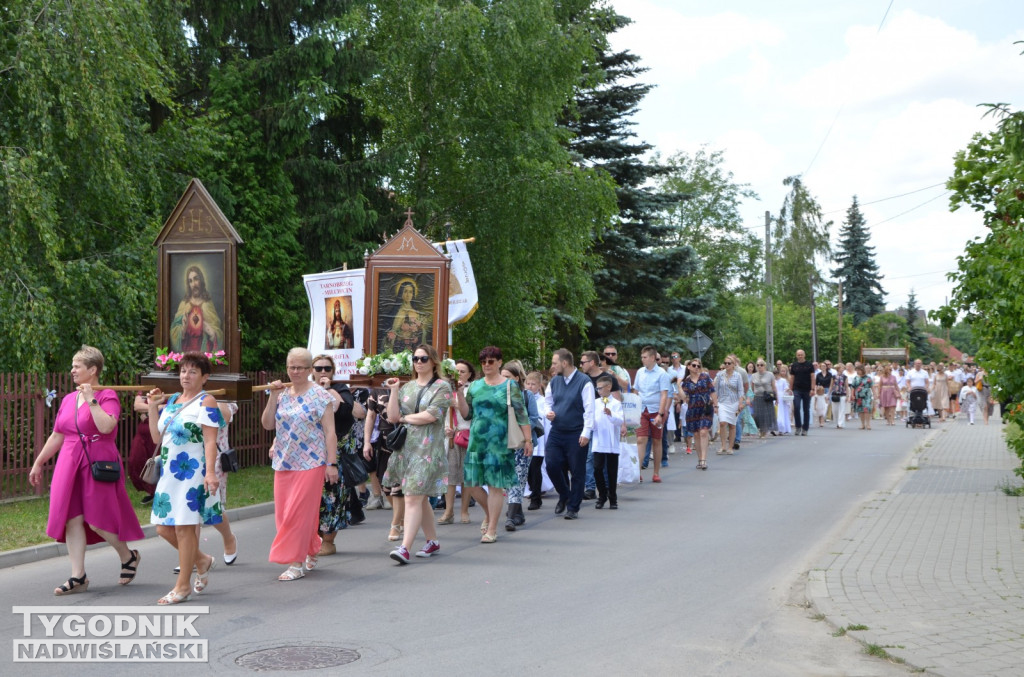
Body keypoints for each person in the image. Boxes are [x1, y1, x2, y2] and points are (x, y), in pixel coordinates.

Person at [28, 346, 145, 597]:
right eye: (72, 366)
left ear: (92, 370)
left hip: (97, 461)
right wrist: (38, 462)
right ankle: (77, 576)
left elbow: (106, 427)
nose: (72, 370)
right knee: (72, 518)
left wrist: (92, 399)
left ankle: (128, 557)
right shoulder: (69, 399)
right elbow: (58, 434)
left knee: (98, 520)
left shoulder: (107, 395)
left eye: (77, 366)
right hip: (69, 461)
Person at [146, 351, 223, 604]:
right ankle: (202, 560)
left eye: (192, 371)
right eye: (183, 371)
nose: (186, 375)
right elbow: (158, 438)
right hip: (170, 472)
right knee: (163, 528)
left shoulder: (207, 401)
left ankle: (182, 586)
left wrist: (210, 473)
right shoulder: (174, 400)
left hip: (193, 471)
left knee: (184, 528)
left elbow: (211, 440)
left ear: (204, 377)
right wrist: (151, 408)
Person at [263, 348, 339, 581]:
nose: (295, 372)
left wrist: (331, 463)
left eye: (300, 368)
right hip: (284, 461)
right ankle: (312, 545)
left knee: (298, 513)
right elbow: (267, 424)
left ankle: (296, 563)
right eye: (291, 367)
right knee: (285, 514)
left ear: (309, 370)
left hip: (312, 461)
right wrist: (273, 396)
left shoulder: (320, 395)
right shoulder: (282, 393)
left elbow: (330, 432)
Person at [383, 345, 453, 563]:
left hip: (427, 450)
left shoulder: (443, 387)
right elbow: (393, 416)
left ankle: (404, 547)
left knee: (412, 497)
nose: (419, 362)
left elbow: (431, 415)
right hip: (406, 449)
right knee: (419, 499)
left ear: (433, 361)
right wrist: (394, 390)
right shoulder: (408, 387)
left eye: (423, 358)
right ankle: (432, 541)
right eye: (415, 358)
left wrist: (406, 418)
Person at [456, 346, 533, 540]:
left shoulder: (509, 386)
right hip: (476, 442)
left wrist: (528, 440)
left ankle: (492, 530)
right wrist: (458, 393)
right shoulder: (475, 386)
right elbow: (467, 414)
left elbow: (522, 414)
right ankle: (491, 515)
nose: (487, 365)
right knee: (471, 484)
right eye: (483, 362)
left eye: (491, 361)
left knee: (495, 486)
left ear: (499, 362)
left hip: (499, 443)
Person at [312, 354, 366, 556]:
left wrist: (327, 389)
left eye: (327, 368)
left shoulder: (340, 389)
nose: (323, 372)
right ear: (312, 371)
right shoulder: (307, 391)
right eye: (318, 369)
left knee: (333, 496)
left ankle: (328, 540)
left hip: (337, 452)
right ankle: (312, 537)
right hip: (312, 451)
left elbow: (347, 411)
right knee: (313, 496)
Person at [541, 348, 594, 520]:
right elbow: (547, 402)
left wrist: (586, 432)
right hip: (557, 430)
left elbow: (589, 410)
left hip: (576, 432)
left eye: (555, 363)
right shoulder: (555, 381)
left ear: (565, 363)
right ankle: (565, 494)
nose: (552, 366)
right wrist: (548, 412)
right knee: (551, 465)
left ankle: (573, 507)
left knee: (577, 470)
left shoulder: (584, 381)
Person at [501, 360, 540, 531]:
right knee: (507, 481)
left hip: (523, 442)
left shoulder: (527, 395)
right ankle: (518, 513)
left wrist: (517, 426)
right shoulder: (498, 395)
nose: (504, 381)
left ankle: (510, 517)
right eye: (502, 377)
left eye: (508, 377)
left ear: (517, 378)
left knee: (518, 478)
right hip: (503, 443)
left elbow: (533, 417)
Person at [364, 386, 403, 541]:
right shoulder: (377, 390)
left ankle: (396, 524)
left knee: (398, 486)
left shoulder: (410, 385)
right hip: (386, 442)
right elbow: (370, 416)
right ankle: (402, 516)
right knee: (385, 485)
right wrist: (367, 442)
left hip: (406, 440)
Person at [440, 359, 475, 525]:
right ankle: (448, 511)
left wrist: (458, 402)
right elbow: (439, 414)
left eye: (463, 371)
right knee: (451, 475)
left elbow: (471, 414)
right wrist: (445, 429)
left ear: (469, 374)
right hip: (451, 438)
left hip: (467, 436)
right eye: (457, 371)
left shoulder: (472, 390)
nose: (459, 374)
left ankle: (464, 510)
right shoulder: (444, 389)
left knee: (466, 476)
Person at [633, 346, 670, 482]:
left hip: (656, 411)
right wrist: (633, 410)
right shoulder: (640, 372)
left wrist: (660, 414)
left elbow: (664, 394)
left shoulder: (662, 373)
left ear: (653, 358)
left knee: (656, 441)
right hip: (642, 410)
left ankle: (656, 472)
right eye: (642, 357)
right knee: (641, 439)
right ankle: (637, 472)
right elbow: (635, 391)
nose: (642, 360)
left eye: (645, 357)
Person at [170, 265, 223, 353]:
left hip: (204, 354)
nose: (193, 284)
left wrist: (212, 333)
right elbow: (174, 331)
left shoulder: (208, 304)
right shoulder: (184, 304)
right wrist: (183, 329)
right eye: (190, 281)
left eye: (196, 279)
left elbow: (218, 332)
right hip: (187, 354)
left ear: (201, 280)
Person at [591, 375, 623, 509]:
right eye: (597, 388)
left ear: (608, 387)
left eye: (600, 388)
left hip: (611, 442)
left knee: (611, 471)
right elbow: (591, 420)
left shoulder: (616, 403)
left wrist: (611, 414)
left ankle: (613, 498)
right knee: (597, 469)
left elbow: (620, 420)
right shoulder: (595, 403)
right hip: (599, 440)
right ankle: (602, 494)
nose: (598, 391)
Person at [679, 357, 716, 470]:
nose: (696, 367)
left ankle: (704, 460)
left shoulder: (705, 377)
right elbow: (684, 398)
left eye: (698, 366)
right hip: (693, 409)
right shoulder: (686, 381)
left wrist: (716, 405)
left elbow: (712, 391)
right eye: (694, 365)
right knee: (696, 435)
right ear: (689, 367)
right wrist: (678, 385)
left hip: (705, 408)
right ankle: (700, 459)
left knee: (704, 432)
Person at [524, 370, 551, 510]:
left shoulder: (543, 401)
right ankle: (532, 492)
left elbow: (545, 418)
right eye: (527, 383)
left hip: (539, 439)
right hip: (526, 438)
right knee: (528, 469)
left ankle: (536, 497)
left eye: (533, 384)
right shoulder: (524, 398)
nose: (530, 386)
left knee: (535, 468)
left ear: (540, 385)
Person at [384, 279, 429, 353]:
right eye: (405, 291)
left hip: (414, 348)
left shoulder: (416, 313)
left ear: (413, 294)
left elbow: (423, 333)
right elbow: (391, 333)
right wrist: (400, 335)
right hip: (398, 348)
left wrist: (418, 330)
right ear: (401, 293)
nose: (408, 295)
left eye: (410, 292)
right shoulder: (397, 312)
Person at [127, 393, 157, 503]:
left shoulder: (172, 389)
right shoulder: (145, 388)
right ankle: (148, 490)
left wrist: (151, 410)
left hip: (158, 431)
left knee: (157, 462)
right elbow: (137, 406)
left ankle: (154, 492)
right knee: (136, 459)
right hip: (143, 429)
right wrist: (157, 407)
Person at [713, 357, 745, 455]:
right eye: (725, 363)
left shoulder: (738, 376)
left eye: (729, 363)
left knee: (732, 425)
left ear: (733, 364)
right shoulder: (720, 375)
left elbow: (740, 390)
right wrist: (715, 404)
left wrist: (740, 403)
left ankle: (730, 447)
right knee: (722, 423)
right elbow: (715, 390)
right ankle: (723, 446)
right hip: (722, 402)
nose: (727, 365)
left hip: (734, 402)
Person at [789, 349, 814, 436]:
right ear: (796, 356)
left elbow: (812, 377)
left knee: (806, 409)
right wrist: (790, 388)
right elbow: (792, 377)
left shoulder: (809, 365)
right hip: (797, 389)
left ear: (804, 355)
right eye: (798, 355)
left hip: (807, 389)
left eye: (801, 354)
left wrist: (812, 389)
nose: (800, 356)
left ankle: (805, 428)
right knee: (796, 407)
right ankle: (798, 426)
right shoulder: (794, 365)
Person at [750, 359, 777, 438]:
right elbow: (752, 387)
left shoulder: (770, 374)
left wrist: (776, 397)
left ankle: (763, 431)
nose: (759, 366)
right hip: (757, 397)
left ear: (764, 366)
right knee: (757, 415)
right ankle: (760, 429)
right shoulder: (753, 375)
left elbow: (773, 386)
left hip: (767, 397)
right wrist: (752, 397)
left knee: (766, 415)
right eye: (758, 365)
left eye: (761, 365)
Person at [850, 365, 874, 430]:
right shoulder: (855, 378)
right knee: (861, 410)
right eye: (856, 370)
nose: (857, 371)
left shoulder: (868, 378)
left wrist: (875, 394)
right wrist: (852, 395)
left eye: (858, 370)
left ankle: (868, 424)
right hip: (858, 395)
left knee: (867, 408)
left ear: (862, 370)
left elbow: (872, 386)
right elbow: (853, 387)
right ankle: (862, 424)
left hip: (867, 395)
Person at [776, 365, 793, 435]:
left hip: (782, 397)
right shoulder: (775, 380)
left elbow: (786, 388)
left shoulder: (784, 380)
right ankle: (778, 428)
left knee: (783, 412)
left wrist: (787, 391)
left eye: (784, 371)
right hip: (777, 397)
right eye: (781, 371)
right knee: (778, 412)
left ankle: (783, 428)